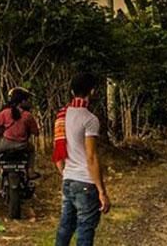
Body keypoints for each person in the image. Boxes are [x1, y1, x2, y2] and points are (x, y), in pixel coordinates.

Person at [52, 72, 110, 246]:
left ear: (71, 91)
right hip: (85, 181)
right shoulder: (90, 119)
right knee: (85, 229)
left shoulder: (61, 116)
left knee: (65, 228)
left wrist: (66, 173)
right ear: (92, 92)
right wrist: (102, 191)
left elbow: (57, 154)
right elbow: (91, 157)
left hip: (68, 180)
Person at [0, 87, 40, 196]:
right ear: (22, 101)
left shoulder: (5, 112)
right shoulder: (28, 115)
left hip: (5, 144)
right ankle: (30, 170)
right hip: (22, 145)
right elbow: (36, 131)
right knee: (31, 149)